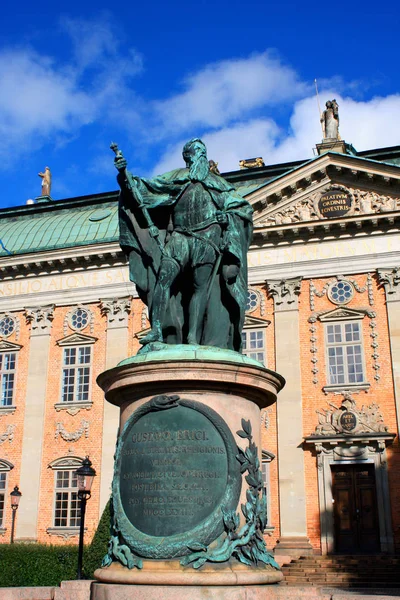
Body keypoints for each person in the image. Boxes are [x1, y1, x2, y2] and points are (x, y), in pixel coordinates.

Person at [115, 138, 253, 351]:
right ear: (188, 157)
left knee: (200, 288)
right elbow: (145, 188)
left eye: (202, 152)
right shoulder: (177, 177)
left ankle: (193, 339)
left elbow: (241, 208)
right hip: (180, 238)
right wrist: (125, 176)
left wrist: (228, 218)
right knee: (164, 279)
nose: (200, 155)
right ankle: (157, 330)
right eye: (196, 152)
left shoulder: (219, 184)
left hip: (207, 241)